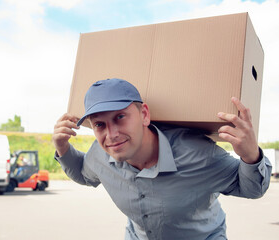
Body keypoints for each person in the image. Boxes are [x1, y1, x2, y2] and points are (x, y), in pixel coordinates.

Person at [53, 78, 272, 240]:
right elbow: (84, 174)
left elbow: (252, 189)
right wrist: (63, 148)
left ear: (144, 115)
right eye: (99, 124)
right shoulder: (99, 154)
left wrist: (251, 155)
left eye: (120, 117)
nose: (111, 135)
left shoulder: (199, 154)